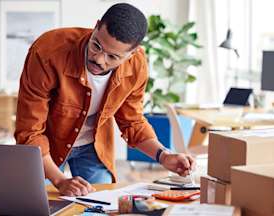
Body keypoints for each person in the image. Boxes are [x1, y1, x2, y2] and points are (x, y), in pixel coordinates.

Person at [15, 3, 195, 197]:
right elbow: (29, 132)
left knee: (98, 205)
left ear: (131, 54)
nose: (99, 59)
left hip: (95, 147)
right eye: (96, 46)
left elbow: (132, 122)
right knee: (33, 203)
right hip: (46, 148)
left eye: (112, 56)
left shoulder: (136, 65)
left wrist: (164, 155)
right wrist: (60, 180)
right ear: (97, 26)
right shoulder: (48, 51)